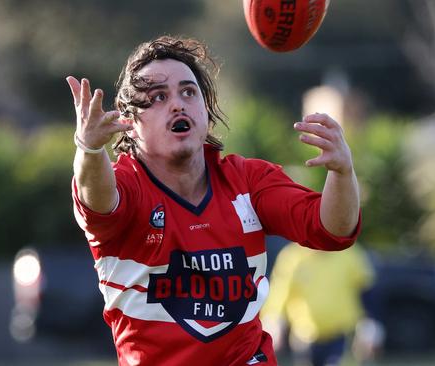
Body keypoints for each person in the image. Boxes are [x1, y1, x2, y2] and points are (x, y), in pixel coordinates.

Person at [67, 35, 361, 366]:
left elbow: (333, 230)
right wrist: (90, 149)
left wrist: (342, 171)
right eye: (158, 97)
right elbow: (97, 200)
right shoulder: (127, 187)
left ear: (205, 111)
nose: (178, 104)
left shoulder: (248, 180)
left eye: (188, 92)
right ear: (131, 123)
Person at [261, 242, 375, 366]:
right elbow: (279, 293)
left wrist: (369, 326)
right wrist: (274, 321)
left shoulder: (349, 253)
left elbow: (366, 290)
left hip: (341, 335)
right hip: (304, 337)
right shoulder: (292, 256)